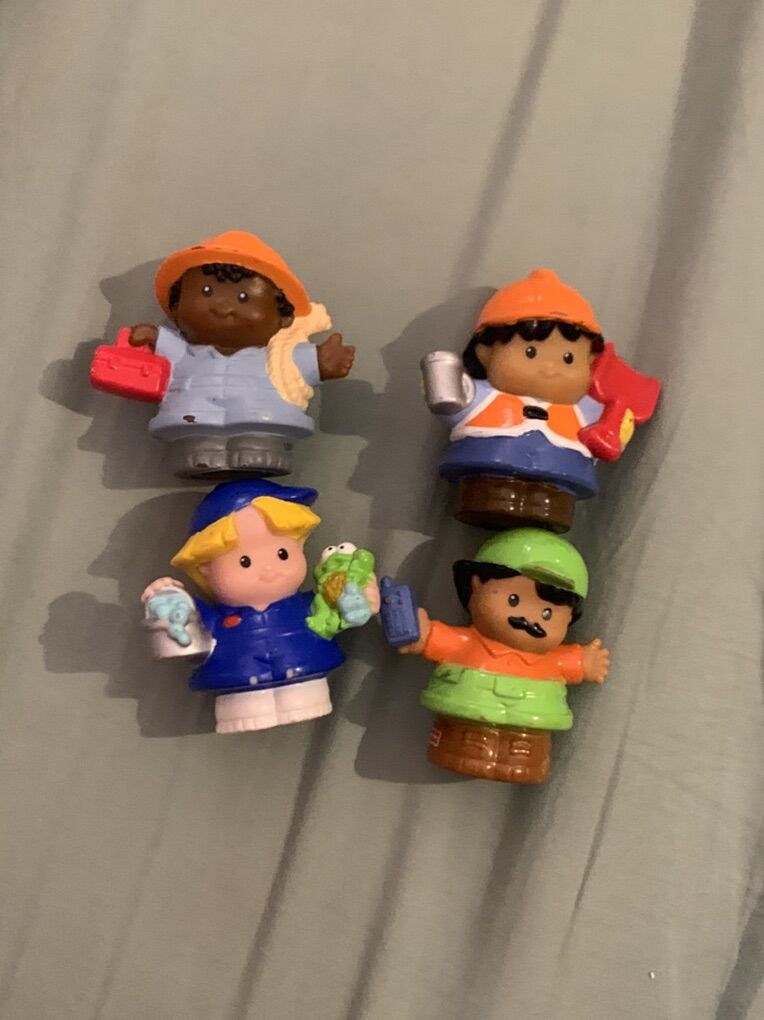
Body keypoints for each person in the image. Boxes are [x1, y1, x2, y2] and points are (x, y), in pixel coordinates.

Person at [98, 230, 355, 476]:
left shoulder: (281, 357)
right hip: (194, 414)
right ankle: (200, 455)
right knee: (199, 447)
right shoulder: (181, 350)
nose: (222, 305)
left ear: (284, 318)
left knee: (257, 446)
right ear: (176, 309)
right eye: (206, 292)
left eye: (243, 297)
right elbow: (162, 344)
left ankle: (260, 452)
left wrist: (324, 362)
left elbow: (304, 364)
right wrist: (150, 336)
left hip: (260, 415)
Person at [421, 268, 660, 530]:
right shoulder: (481, 396)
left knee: (549, 507)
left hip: (561, 476)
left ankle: (547, 515)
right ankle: (488, 504)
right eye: (530, 353)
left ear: (591, 362)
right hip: (489, 469)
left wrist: (617, 425)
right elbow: (448, 401)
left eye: (568, 358)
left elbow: (614, 434)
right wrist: (440, 377)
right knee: (488, 498)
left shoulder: (588, 409)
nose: (550, 368)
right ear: (485, 352)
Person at [142, 479, 379, 734]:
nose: (269, 570)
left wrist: (361, 597)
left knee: (304, 699)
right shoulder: (214, 619)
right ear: (205, 567)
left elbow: (335, 614)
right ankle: (246, 706)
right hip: (238, 688)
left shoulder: (311, 605)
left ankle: (300, 699)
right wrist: (169, 601)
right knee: (246, 709)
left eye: (282, 554)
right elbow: (190, 634)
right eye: (244, 561)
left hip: (306, 679)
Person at [395, 528, 610, 783]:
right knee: (467, 747)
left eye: (547, 614)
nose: (530, 619)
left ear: (570, 618)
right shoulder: (467, 642)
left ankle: (523, 762)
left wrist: (586, 662)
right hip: (466, 717)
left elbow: (570, 662)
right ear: (476, 586)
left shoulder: (550, 658)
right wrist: (420, 635)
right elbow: (435, 639)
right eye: (513, 600)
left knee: (523, 751)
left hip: (530, 721)